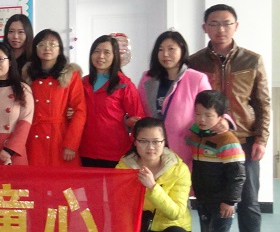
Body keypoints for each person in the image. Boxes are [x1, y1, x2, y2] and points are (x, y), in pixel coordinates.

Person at [187, 4, 272, 232]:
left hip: (244, 139)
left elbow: (262, 103)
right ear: (205, 28)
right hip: (208, 143)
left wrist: (262, 138)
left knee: (248, 201)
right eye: (214, 24)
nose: (220, 29)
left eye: (226, 23)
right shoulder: (195, 62)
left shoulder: (252, 60)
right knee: (208, 203)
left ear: (236, 26)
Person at [116, 117, 198, 232]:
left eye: (156, 141)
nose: (150, 147)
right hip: (145, 230)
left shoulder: (179, 169)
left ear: (164, 142)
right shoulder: (123, 169)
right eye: (144, 141)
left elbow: (175, 212)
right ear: (135, 142)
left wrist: (153, 188)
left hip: (173, 227)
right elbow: (119, 208)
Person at [186, 90, 246, 232]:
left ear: (221, 117)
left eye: (208, 115)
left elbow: (238, 175)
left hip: (222, 201)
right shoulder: (197, 133)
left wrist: (230, 201)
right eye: (198, 114)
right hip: (203, 197)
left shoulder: (228, 141)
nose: (202, 119)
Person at [137, 31, 213, 169]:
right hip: (152, 148)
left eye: (171, 49)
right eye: (160, 50)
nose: (165, 54)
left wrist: (224, 120)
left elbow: (211, 107)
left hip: (184, 147)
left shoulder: (196, 79)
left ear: (182, 50)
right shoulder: (147, 78)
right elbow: (140, 109)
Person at [78, 35, 144, 168]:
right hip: (85, 151)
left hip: (115, 154)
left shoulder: (125, 85)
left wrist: (137, 150)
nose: (101, 56)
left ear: (115, 56)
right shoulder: (82, 83)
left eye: (107, 52)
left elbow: (139, 120)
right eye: (96, 51)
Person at [22, 29, 86, 167]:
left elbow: (79, 111)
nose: (47, 48)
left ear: (59, 49)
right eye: (41, 44)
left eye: (52, 44)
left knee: (62, 178)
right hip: (33, 136)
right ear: (35, 49)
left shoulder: (70, 74)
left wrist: (71, 144)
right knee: (35, 177)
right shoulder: (28, 75)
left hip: (60, 137)